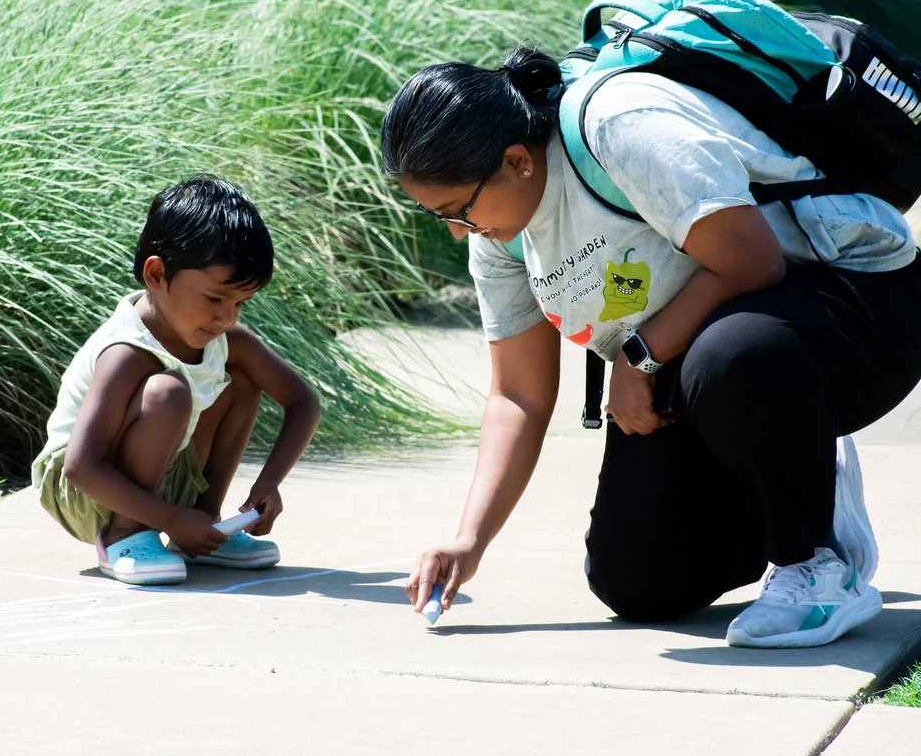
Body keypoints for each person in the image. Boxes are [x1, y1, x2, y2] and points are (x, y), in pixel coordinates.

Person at [380, 45, 921, 648]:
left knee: (737, 358)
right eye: (439, 217)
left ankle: (814, 562)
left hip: (853, 298)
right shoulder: (501, 238)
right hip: (703, 347)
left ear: (516, 161)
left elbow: (752, 263)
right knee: (640, 583)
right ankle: (795, 469)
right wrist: (469, 539)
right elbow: (517, 394)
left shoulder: (617, 124)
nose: (458, 230)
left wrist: (638, 358)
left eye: (459, 210)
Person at [31, 175, 321, 585]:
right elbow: (81, 466)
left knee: (241, 379)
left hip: (154, 478)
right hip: (84, 492)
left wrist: (269, 483)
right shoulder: (127, 349)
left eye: (240, 303)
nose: (227, 318)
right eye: (214, 298)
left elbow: (302, 401)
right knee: (168, 393)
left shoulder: (224, 339)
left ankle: (203, 524)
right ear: (156, 274)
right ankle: (124, 537)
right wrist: (170, 518)